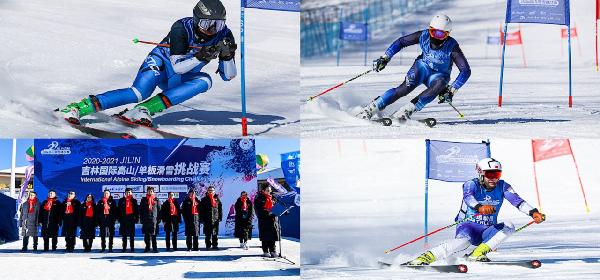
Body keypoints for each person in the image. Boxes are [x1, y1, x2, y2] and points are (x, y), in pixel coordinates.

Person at [55, 0, 237, 127]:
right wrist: (200, 56)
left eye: (218, 25)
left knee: (205, 81)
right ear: (197, 20)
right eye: (208, 24)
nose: (213, 30)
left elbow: (228, 77)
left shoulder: (225, 35)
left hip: (181, 77)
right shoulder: (181, 27)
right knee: (139, 92)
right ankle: (77, 108)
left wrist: (228, 57)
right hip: (162, 64)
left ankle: (142, 111)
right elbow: (177, 66)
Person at [405, 158, 545, 265]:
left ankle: (477, 254)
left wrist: (533, 213)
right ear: (480, 173)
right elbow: (468, 198)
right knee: (462, 243)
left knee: (509, 226)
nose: (493, 178)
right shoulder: (471, 184)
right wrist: (480, 207)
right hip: (468, 226)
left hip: (487, 230)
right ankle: (424, 258)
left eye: (496, 174)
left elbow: (517, 201)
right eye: (489, 174)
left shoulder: (503, 186)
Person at [356, 14, 471, 121]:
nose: (435, 36)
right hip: (422, 67)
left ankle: (406, 110)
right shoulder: (423, 35)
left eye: (440, 34)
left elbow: (465, 70)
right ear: (429, 29)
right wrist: (386, 57)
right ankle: (372, 108)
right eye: (433, 31)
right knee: (405, 88)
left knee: (439, 86)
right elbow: (401, 42)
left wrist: (452, 89)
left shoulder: (452, 47)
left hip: (439, 75)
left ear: (448, 34)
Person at [254, 185, 281, 258]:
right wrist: (267, 212)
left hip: (273, 218)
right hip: (264, 219)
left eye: (270, 190)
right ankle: (265, 250)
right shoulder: (259, 198)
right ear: (263, 190)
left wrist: (282, 210)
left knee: (273, 234)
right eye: (267, 190)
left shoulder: (273, 198)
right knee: (265, 235)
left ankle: (273, 250)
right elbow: (258, 208)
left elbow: (277, 205)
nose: (269, 192)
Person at [200, 186, 222, 251]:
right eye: (209, 190)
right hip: (207, 219)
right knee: (208, 234)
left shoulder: (217, 199)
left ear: (214, 191)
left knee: (215, 233)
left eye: (212, 190)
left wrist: (220, 217)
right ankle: (208, 246)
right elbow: (201, 210)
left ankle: (215, 245)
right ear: (207, 191)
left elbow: (220, 209)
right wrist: (202, 218)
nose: (210, 191)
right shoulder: (204, 200)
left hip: (215, 219)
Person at [140, 186, 161, 253]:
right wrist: (141, 219)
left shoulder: (156, 200)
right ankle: (147, 247)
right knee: (147, 234)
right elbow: (141, 210)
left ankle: (155, 248)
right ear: (147, 192)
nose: (150, 192)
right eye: (149, 191)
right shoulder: (144, 200)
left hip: (154, 219)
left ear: (153, 192)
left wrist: (159, 219)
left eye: (151, 191)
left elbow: (159, 210)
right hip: (146, 219)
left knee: (154, 234)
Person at [118, 188, 139, 253]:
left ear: (131, 193)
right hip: (123, 219)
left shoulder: (134, 200)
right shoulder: (121, 200)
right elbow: (119, 210)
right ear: (125, 193)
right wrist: (119, 218)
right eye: (127, 192)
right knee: (124, 235)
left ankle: (132, 248)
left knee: (131, 235)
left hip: (131, 219)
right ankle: (124, 248)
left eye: (129, 192)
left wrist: (136, 218)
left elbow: (136, 210)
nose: (128, 194)